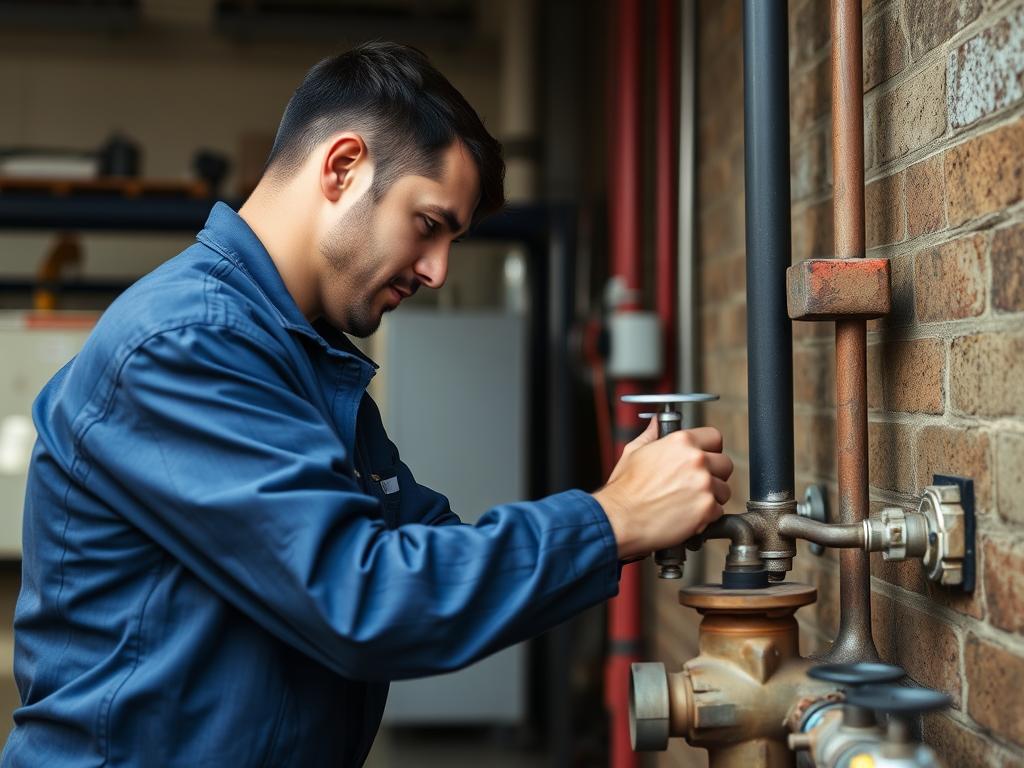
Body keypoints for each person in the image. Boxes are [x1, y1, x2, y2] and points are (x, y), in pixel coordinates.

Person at [2, 42, 731, 767]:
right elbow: (367, 597)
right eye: (429, 224)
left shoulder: (301, 357)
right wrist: (615, 518)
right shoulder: (187, 343)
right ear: (343, 167)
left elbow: (429, 555)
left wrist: (630, 506)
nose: (439, 271)